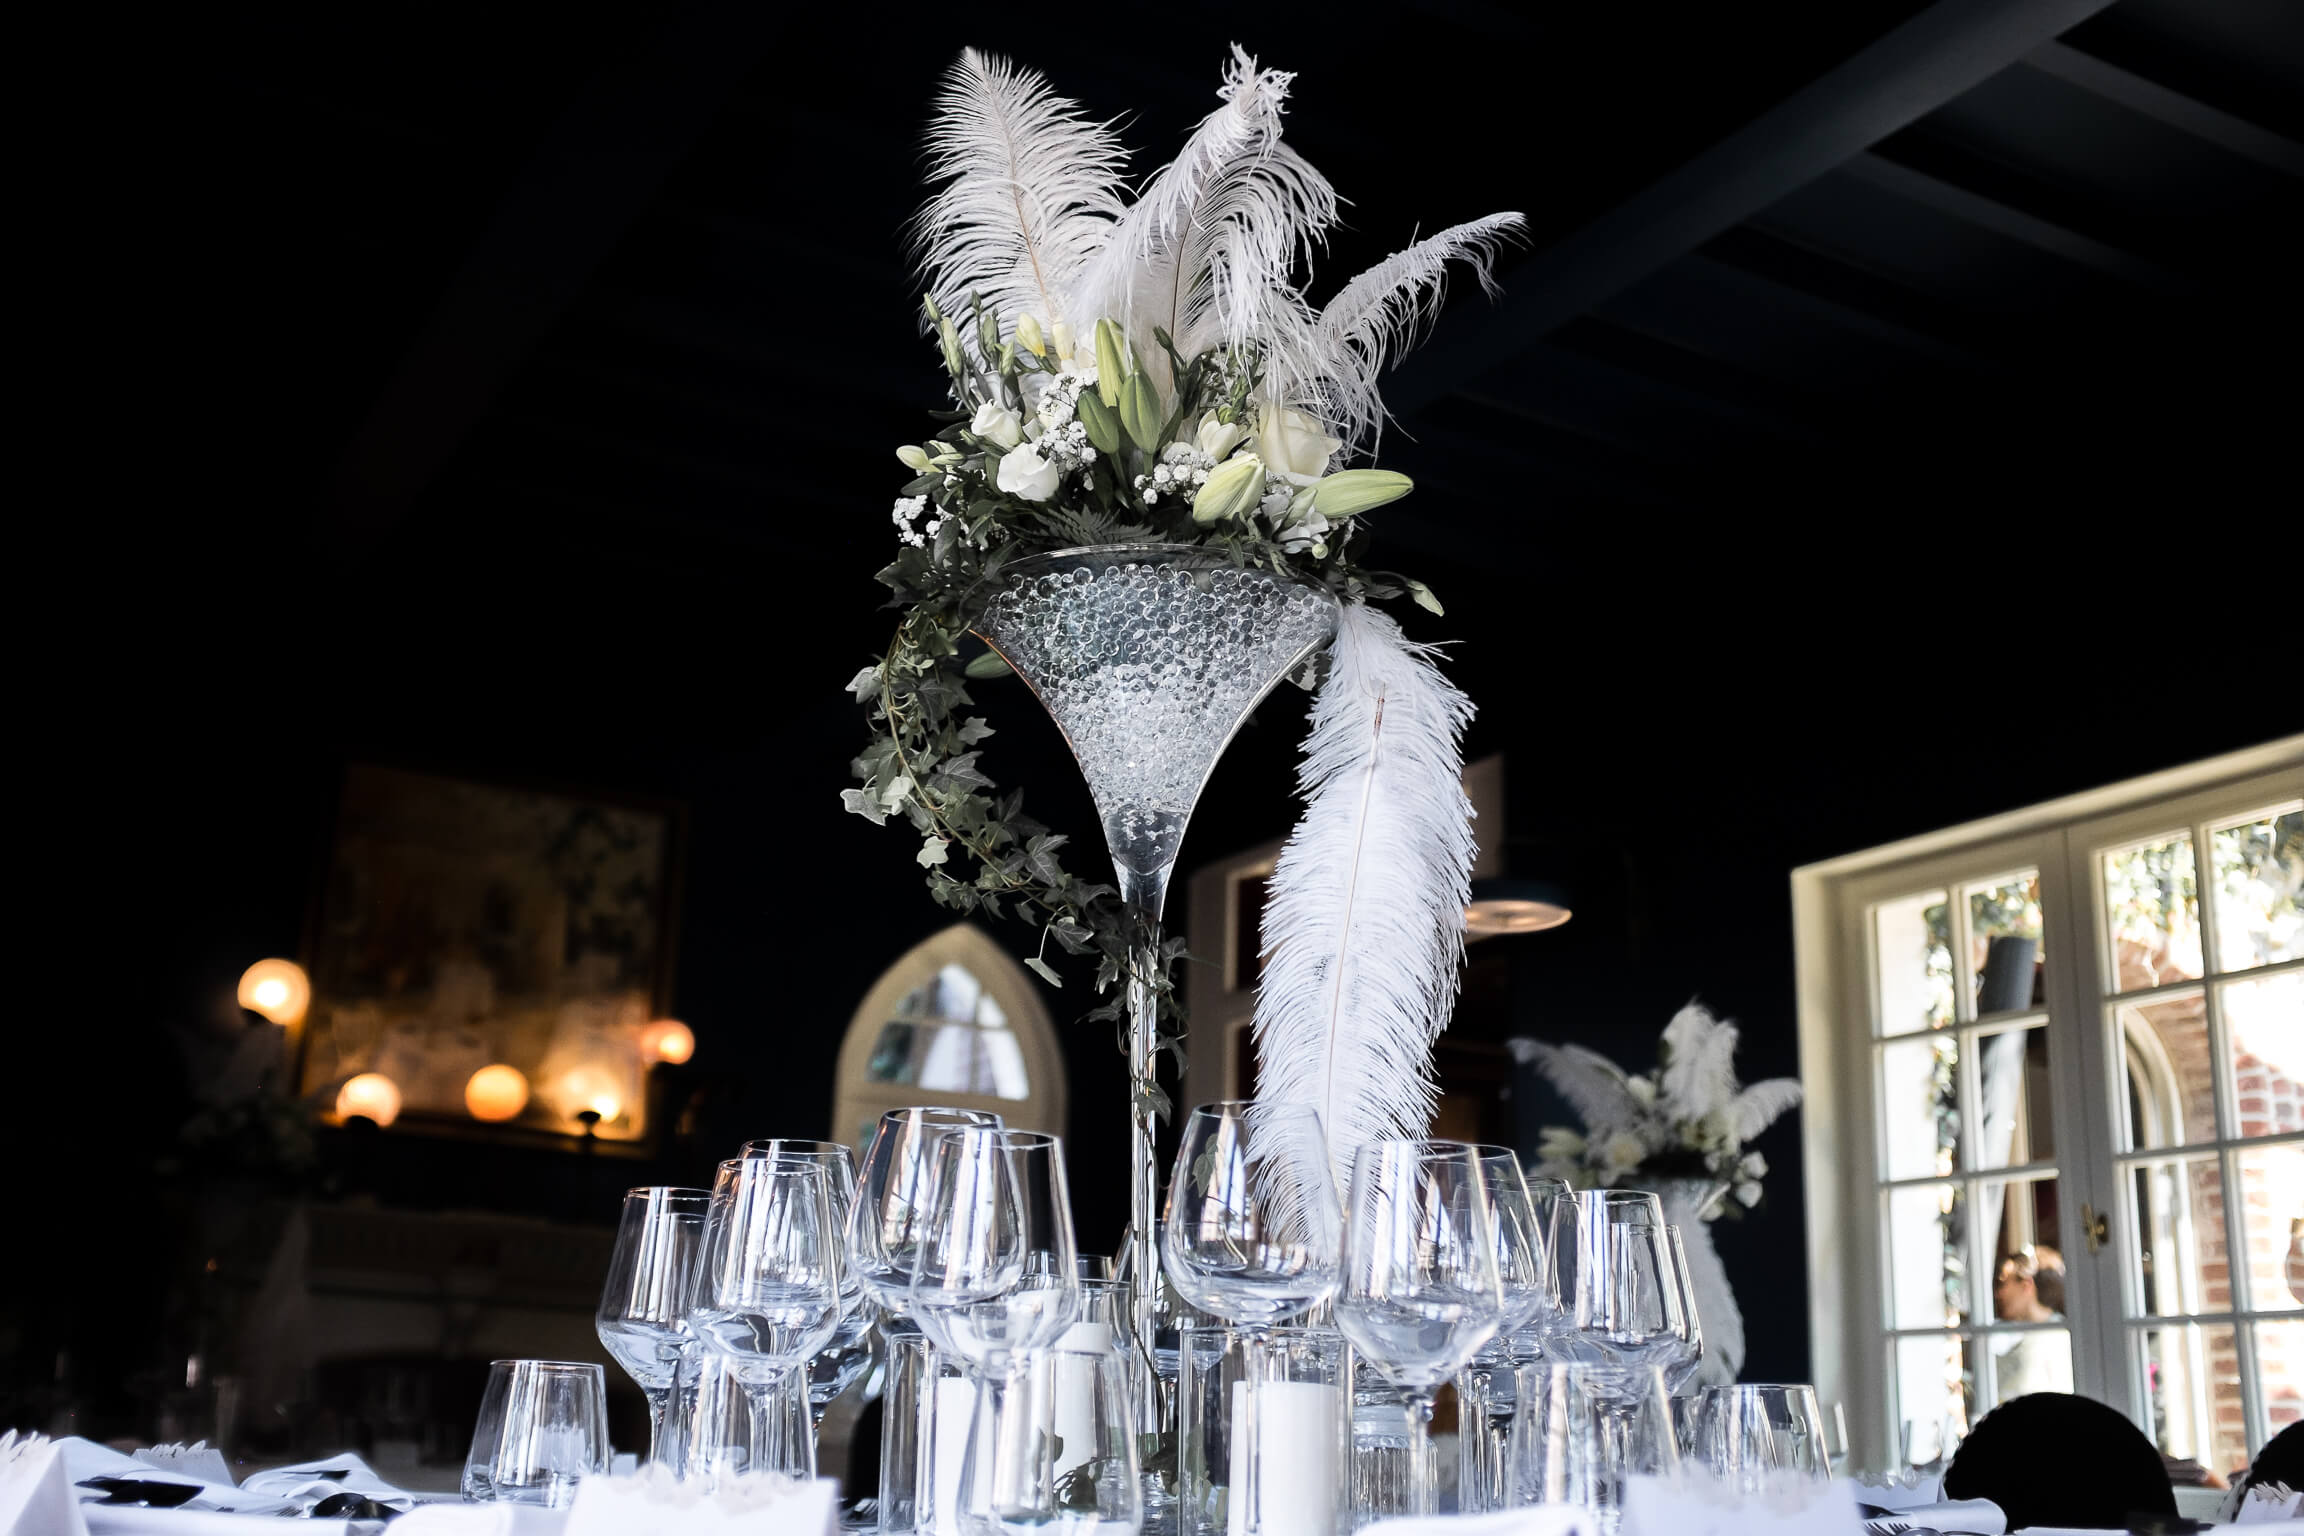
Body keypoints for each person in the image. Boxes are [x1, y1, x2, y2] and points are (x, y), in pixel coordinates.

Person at [1991, 1247, 2073, 1399]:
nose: (1999, 1293)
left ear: (2026, 1285)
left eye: (2004, 1282)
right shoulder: (2060, 1333)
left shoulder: (2043, 1344)